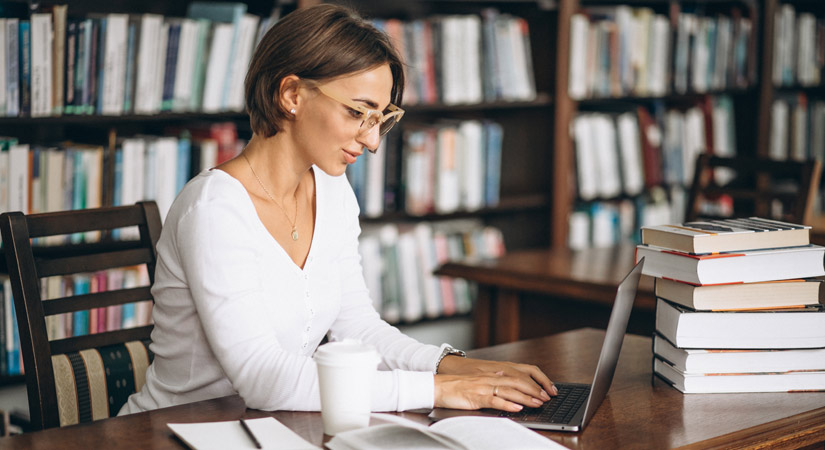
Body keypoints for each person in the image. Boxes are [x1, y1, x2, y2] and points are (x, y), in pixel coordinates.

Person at [120, 3, 556, 416]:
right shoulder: (213, 210)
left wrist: (457, 367)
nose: (372, 141)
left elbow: (357, 328)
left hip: (266, 427)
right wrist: (438, 391)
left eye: (381, 117)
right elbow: (263, 378)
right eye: (356, 112)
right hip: (169, 431)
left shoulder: (332, 189)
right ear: (291, 94)